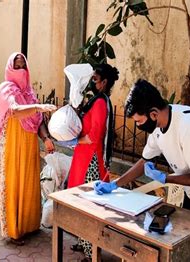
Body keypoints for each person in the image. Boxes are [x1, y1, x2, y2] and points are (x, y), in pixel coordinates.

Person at [94, 79, 190, 262]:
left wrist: (166, 178)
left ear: (153, 114)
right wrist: (114, 185)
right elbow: (144, 161)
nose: (137, 126)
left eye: (138, 121)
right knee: (189, 246)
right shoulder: (158, 127)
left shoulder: (187, 126)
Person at [0, 52, 56, 245]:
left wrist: (46, 139)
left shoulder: (29, 93)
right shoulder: (6, 88)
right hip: (11, 146)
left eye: (23, 66)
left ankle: (29, 226)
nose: (20, 70)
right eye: (17, 66)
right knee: (13, 184)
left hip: (28, 145)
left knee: (29, 183)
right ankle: (14, 231)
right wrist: (39, 107)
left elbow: (38, 122)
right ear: (10, 68)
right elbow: (14, 110)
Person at [61, 64, 119, 260]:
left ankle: (92, 253)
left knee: (89, 205)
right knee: (81, 201)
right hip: (84, 156)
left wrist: (76, 139)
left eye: (95, 79)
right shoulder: (96, 101)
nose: (92, 82)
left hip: (91, 159)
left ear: (104, 83)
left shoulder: (102, 103)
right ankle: (84, 242)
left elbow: (95, 134)